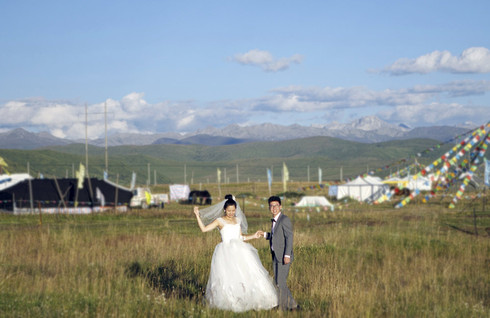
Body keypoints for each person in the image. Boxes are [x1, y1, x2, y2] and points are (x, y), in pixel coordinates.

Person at [194, 197, 278, 312]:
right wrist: (197, 215)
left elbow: (241, 237)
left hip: (241, 250)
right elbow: (204, 229)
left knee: (248, 275)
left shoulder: (237, 220)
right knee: (228, 277)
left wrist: (253, 236)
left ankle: (252, 299)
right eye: (229, 210)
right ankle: (230, 301)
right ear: (224, 210)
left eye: (233, 210)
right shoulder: (219, 221)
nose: (231, 213)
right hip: (226, 252)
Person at [261, 196, 299, 311]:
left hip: (283, 257)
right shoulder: (274, 221)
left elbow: (289, 237)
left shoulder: (284, 219)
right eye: (271, 206)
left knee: (281, 282)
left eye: (276, 205)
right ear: (269, 208)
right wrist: (263, 234)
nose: (274, 208)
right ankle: (293, 305)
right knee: (278, 281)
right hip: (275, 255)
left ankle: (283, 307)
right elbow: (275, 237)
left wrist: (287, 255)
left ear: (280, 206)